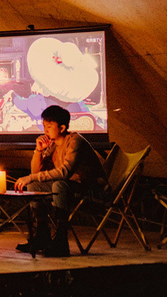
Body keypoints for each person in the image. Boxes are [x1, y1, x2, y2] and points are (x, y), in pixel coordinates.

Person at [14, 105, 106, 257]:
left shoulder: (74, 140)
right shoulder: (53, 145)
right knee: (33, 186)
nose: (46, 131)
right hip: (69, 188)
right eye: (44, 126)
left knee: (58, 184)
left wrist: (30, 177)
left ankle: (61, 239)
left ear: (62, 127)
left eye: (49, 127)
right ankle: (42, 234)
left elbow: (65, 172)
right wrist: (38, 151)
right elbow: (36, 173)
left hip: (91, 190)